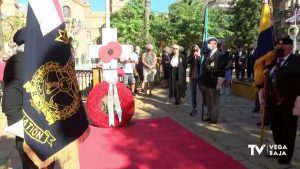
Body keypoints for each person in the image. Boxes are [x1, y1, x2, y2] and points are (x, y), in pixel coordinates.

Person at [259, 37, 300, 164]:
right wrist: (261, 92)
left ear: (290, 47)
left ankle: (287, 155)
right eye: (277, 47)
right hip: (273, 103)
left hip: (289, 103)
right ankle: (279, 150)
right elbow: (267, 78)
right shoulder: (275, 61)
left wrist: (298, 105)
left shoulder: (296, 61)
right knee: (276, 128)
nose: (278, 49)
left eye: (281, 47)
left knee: (288, 130)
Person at [2, 28, 38, 168]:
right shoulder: (21, 62)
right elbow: (12, 97)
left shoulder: (21, 60)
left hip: (27, 120)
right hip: (25, 123)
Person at [202, 37, 225, 123]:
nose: (208, 44)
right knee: (208, 100)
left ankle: (214, 118)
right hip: (207, 81)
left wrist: (219, 83)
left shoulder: (219, 55)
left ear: (215, 44)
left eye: (209, 43)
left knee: (215, 101)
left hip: (214, 81)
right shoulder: (208, 54)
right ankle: (209, 115)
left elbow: (221, 71)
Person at [187, 44, 201, 115]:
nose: (195, 51)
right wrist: (193, 56)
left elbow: (201, 63)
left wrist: (198, 56)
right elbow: (188, 62)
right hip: (192, 76)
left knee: (203, 91)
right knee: (193, 93)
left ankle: (206, 106)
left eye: (196, 50)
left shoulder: (200, 56)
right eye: (194, 50)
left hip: (199, 76)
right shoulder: (191, 56)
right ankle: (194, 108)